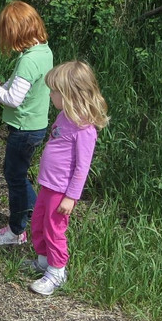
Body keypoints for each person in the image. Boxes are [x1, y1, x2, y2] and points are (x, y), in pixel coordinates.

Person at [26, 60, 109, 295]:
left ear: (70, 94)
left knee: (54, 229)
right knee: (38, 222)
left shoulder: (85, 129)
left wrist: (71, 197)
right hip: (48, 185)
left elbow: (82, 168)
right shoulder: (64, 117)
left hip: (61, 190)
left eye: (54, 91)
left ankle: (57, 272)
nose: (50, 95)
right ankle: (43, 261)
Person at [0, 1, 54, 246]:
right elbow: (16, 84)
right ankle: (34, 215)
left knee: (15, 177)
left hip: (23, 129)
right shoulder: (44, 52)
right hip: (36, 126)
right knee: (18, 174)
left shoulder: (28, 61)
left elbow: (13, 98)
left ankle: (16, 230)